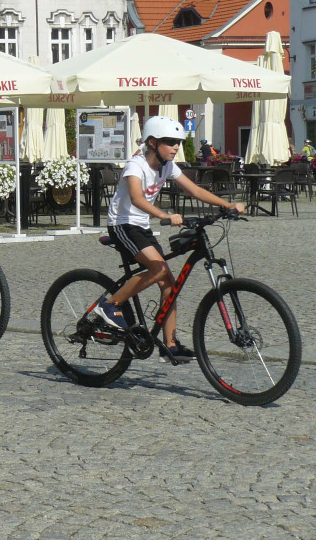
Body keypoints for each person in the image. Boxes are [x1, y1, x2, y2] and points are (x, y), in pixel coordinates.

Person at [92, 116, 245, 361]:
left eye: (178, 142)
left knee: (168, 284)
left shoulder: (168, 166)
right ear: (153, 142)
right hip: (122, 225)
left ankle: (170, 345)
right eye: (171, 142)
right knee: (159, 268)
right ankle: (110, 305)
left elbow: (194, 189)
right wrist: (165, 215)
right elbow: (137, 199)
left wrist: (228, 205)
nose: (176, 147)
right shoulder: (136, 166)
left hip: (141, 227)